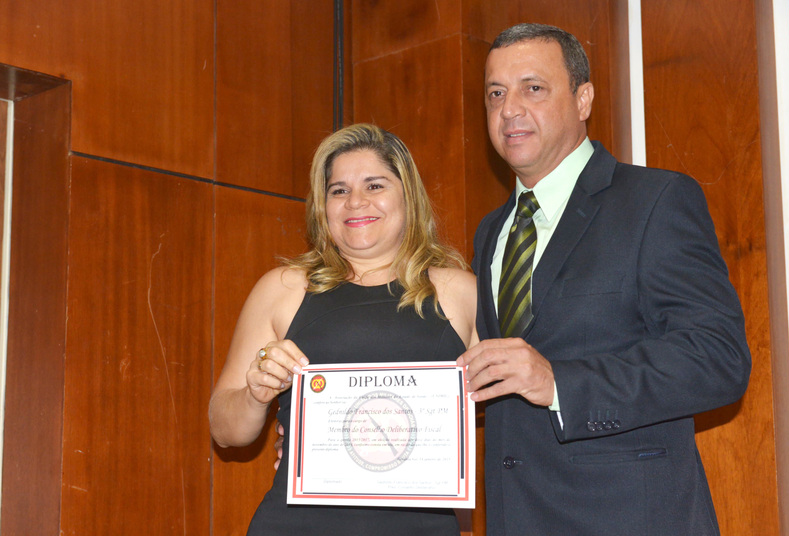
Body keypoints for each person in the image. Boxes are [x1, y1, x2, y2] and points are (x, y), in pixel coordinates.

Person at [455, 23, 751, 536]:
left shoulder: (655, 201)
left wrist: (559, 383)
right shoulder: (490, 232)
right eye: (495, 93)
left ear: (584, 98)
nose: (509, 110)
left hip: (631, 518)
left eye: (533, 88)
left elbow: (717, 358)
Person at [208, 123, 478, 535]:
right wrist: (255, 393)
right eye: (338, 190)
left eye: (374, 185)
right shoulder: (282, 289)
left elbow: (507, 418)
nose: (355, 202)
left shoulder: (461, 292)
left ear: (408, 196)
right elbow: (225, 432)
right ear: (323, 207)